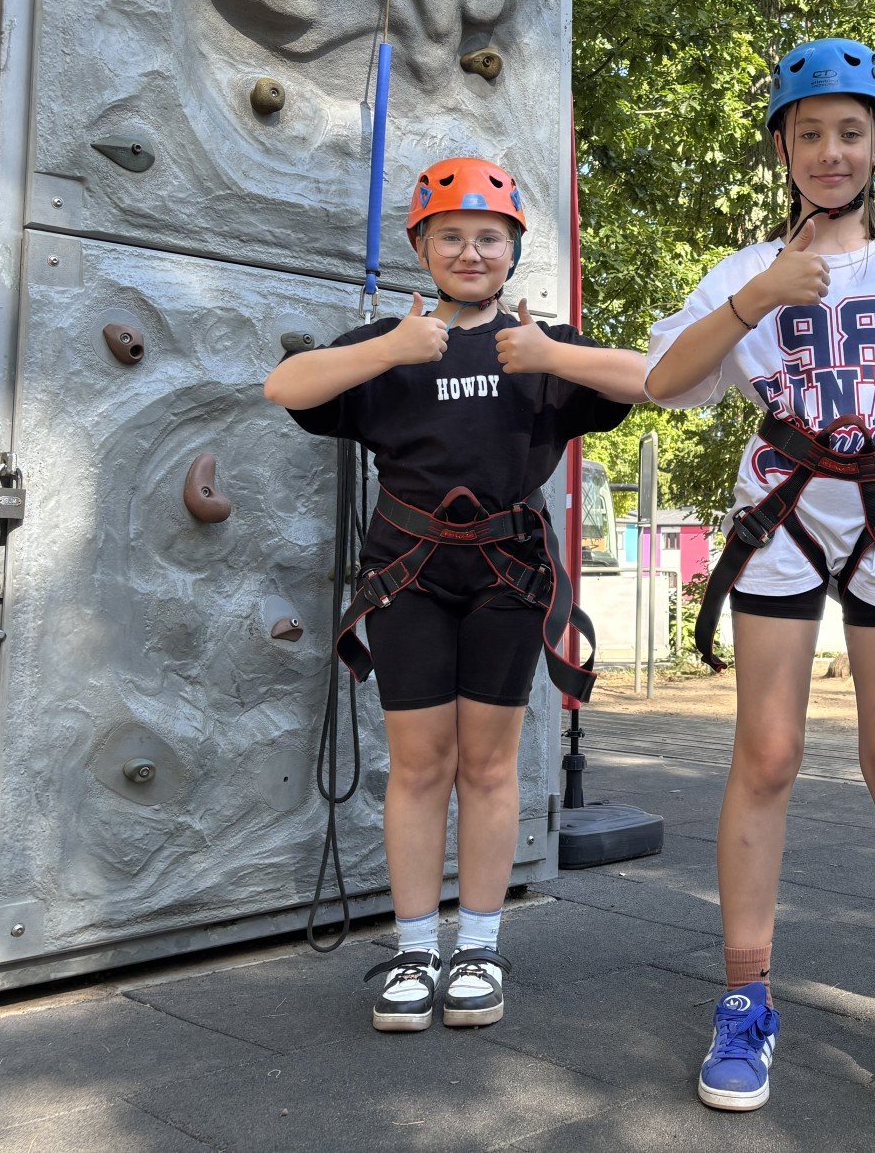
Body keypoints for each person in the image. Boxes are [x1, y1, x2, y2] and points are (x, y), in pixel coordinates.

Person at [644, 39, 875, 1124]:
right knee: (765, 754)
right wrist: (756, 297)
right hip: (783, 523)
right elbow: (663, 381)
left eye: (850, 131)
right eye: (808, 134)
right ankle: (744, 999)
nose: (830, 152)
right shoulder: (743, 272)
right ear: (782, 149)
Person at [265, 156, 645, 1033]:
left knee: (489, 764)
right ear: (422, 249)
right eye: (451, 237)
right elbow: (285, 387)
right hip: (411, 574)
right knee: (421, 763)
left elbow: (652, 379)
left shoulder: (540, 343)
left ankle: (478, 945)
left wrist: (552, 355)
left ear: (513, 250)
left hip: (507, 575)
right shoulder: (390, 341)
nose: (470, 252)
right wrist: (392, 350)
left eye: (488, 238)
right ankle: (414, 949)